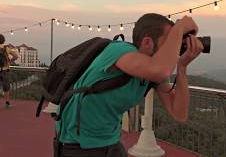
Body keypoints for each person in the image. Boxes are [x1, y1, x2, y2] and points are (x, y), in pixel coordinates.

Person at [56, 13, 204, 157]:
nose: (173, 48)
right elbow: (161, 70)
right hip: (76, 144)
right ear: (147, 43)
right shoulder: (119, 50)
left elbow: (179, 113)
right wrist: (179, 29)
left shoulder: (152, 72)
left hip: (110, 141)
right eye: (170, 41)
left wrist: (182, 67)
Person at [0, 33, 18, 108]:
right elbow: (16, 56)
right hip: (5, 70)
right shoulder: (6, 48)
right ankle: (7, 103)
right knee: (6, 88)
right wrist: (10, 61)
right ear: (3, 40)